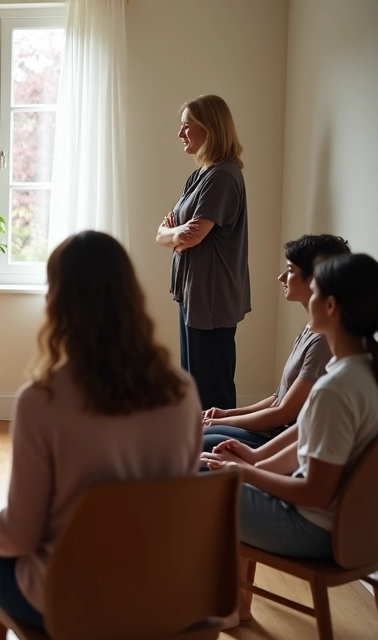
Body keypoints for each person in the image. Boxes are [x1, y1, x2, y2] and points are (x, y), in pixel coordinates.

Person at [0, 231, 201, 640]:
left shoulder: (42, 401)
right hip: (163, 593)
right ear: (132, 298)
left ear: (58, 303)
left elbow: (20, 537)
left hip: (71, 600)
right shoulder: (182, 391)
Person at [204, 253, 378, 629]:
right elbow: (305, 437)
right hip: (356, 531)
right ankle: (233, 606)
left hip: (316, 532)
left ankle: (201, 603)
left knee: (199, 487)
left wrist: (244, 473)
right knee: (208, 469)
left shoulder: (336, 388)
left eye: (314, 291)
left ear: (330, 305)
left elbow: (315, 492)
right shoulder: (362, 372)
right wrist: (252, 460)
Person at [202, 235, 350, 452]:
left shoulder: (323, 341)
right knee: (201, 432)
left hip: (280, 442)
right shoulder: (310, 329)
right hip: (271, 431)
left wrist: (219, 423)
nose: (281, 277)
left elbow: (284, 414)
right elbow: (277, 398)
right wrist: (226, 414)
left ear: (315, 279)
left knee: (203, 438)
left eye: (290, 270)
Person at [156, 94, 250, 411]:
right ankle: (198, 453)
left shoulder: (222, 176)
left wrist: (175, 234)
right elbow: (165, 232)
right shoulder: (201, 174)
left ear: (208, 128)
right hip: (194, 294)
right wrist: (173, 234)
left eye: (186, 127)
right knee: (194, 382)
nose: (180, 134)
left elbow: (192, 235)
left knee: (211, 389)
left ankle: (218, 456)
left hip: (211, 299)